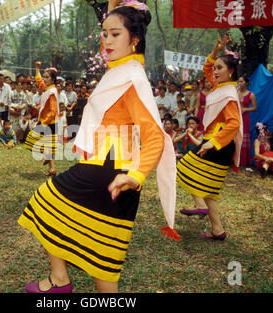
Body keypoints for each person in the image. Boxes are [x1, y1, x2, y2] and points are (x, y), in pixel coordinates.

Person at [18, 0, 178, 294]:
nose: (106, 40)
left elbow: (155, 136)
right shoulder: (120, 69)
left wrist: (137, 176)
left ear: (135, 40)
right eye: (104, 33)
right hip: (108, 167)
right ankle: (59, 280)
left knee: (46, 203)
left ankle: (59, 281)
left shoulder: (130, 78)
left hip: (112, 170)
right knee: (102, 259)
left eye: (115, 34)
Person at [177, 35, 242, 241]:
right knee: (210, 191)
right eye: (216, 68)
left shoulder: (229, 93)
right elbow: (207, 68)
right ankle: (217, 230)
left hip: (218, 143)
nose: (215, 71)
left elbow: (234, 123)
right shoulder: (219, 86)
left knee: (184, 167)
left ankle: (199, 206)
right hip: (216, 143)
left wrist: (211, 143)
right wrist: (216, 50)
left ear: (230, 71)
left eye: (220, 68)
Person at [24, 61, 59, 176]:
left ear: (53, 79)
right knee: (47, 145)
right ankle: (52, 168)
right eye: (44, 77)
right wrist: (37, 69)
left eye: (47, 77)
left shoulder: (52, 92)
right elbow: (39, 81)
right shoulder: (48, 88)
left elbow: (53, 111)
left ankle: (47, 157)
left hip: (48, 122)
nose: (44, 79)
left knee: (31, 140)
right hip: (47, 122)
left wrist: (44, 122)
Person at [238, 75, 257, 167]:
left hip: (245, 118)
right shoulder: (235, 92)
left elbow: (254, 108)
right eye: (239, 81)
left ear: (246, 83)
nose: (239, 83)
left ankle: (242, 160)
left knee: (242, 137)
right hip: (235, 116)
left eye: (241, 81)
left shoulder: (251, 94)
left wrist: (246, 109)